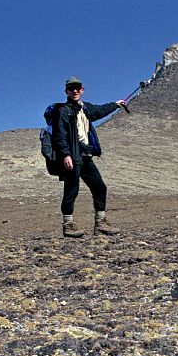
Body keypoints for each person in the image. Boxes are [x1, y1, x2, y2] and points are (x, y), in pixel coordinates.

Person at [51, 76, 126, 238]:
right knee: (72, 190)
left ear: (82, 90)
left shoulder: (86, 108)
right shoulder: (63, 111)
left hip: (85, 155)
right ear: (67, 91)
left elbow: (100, 110)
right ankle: (68, 226)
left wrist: (116, 104)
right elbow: (59, 136)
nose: (75, 91)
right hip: (72, 155)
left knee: (99, 187)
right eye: (71, 88)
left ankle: (100, 224)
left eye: (77, 88)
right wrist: (65, 155)